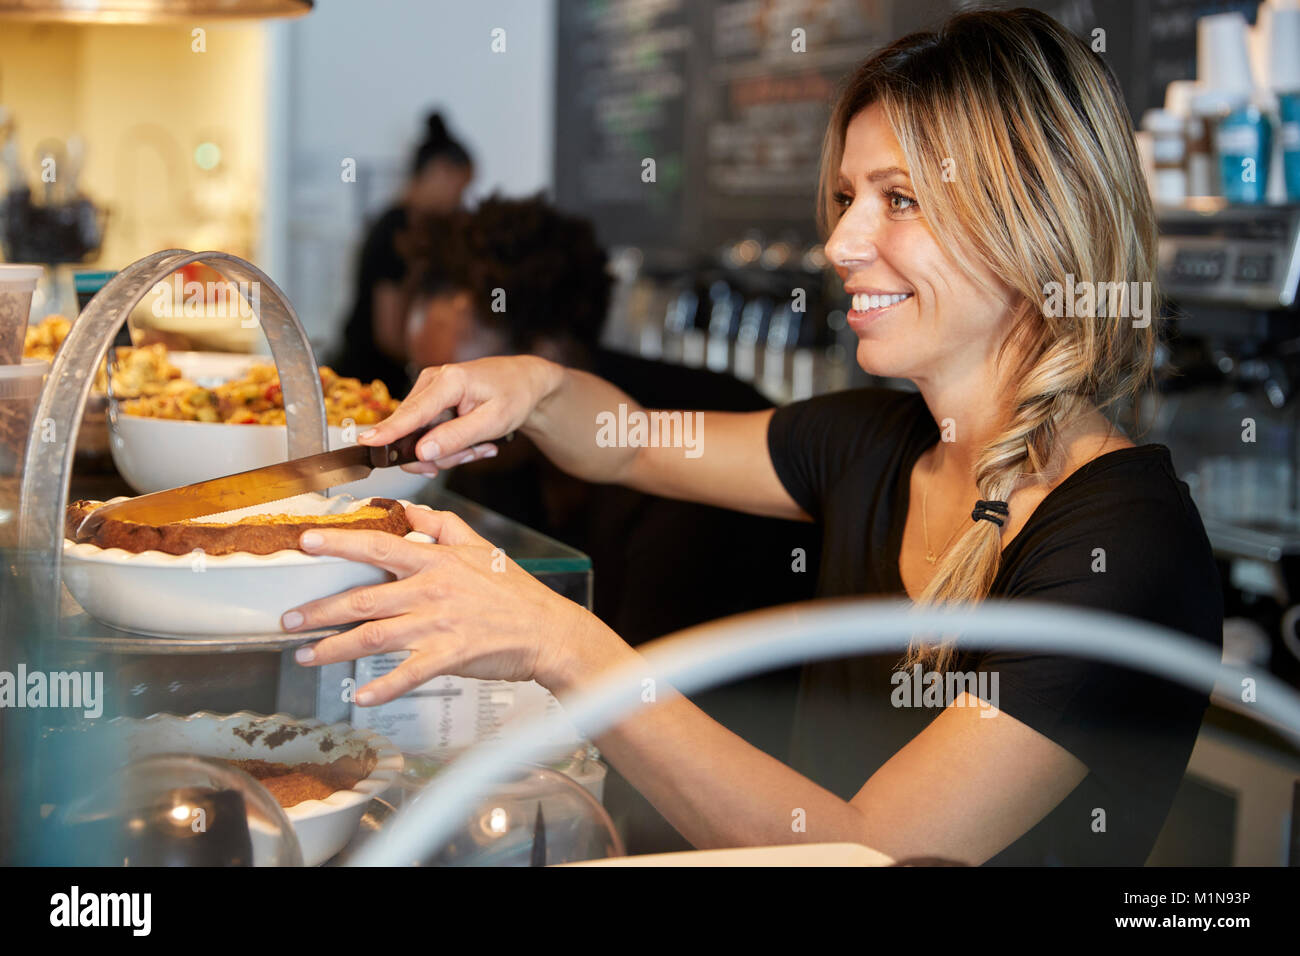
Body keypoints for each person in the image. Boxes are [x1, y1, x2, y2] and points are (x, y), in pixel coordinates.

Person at [281, 8, 1223, 865]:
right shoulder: (876, 442)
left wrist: (567, 647)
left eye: (899, 199)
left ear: (1036, 222)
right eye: (850, 195)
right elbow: (625, 441)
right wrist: (532, 384)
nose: (841, 243)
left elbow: (868, 853)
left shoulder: (1121, 548)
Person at [406, 194, 821, 851]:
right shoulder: (499, 469)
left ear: (539, 351)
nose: (426, 417)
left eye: (457, 393)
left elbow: (654, 718)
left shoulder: (693, 478)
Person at [328, 112, 473, 397]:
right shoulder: (396, 231)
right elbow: (388, 333)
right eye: (461, 187)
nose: (461, 200)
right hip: (369, 384)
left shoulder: (410, 226)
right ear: (439, 171)